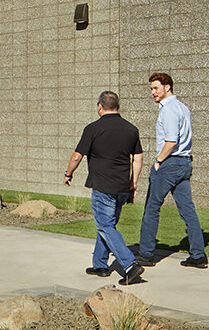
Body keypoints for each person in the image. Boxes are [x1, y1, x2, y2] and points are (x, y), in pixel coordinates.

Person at [64, 91, 144, 285]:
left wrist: (68, 174)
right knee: (108, 225)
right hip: (122, 187)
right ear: (118, 106)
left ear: (100, 106)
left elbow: (77, 156)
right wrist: (133, 185)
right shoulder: (131, 129)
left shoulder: (93, 129)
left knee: (105, 225)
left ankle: (129, 266)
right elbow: (138, 158)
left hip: (103, 187)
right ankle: (100, 265)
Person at [136, 72, 206, 269]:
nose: (153, 92)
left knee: (152, 208)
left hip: (169, 163)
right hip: (184, 163)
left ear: (167, 87)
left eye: (156, 88)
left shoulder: (168, 109)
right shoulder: (183, 108)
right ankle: (198, 256)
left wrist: (158, 160)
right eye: (151, 89)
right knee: (188, 210)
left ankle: (146, 255)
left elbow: (171, 141)